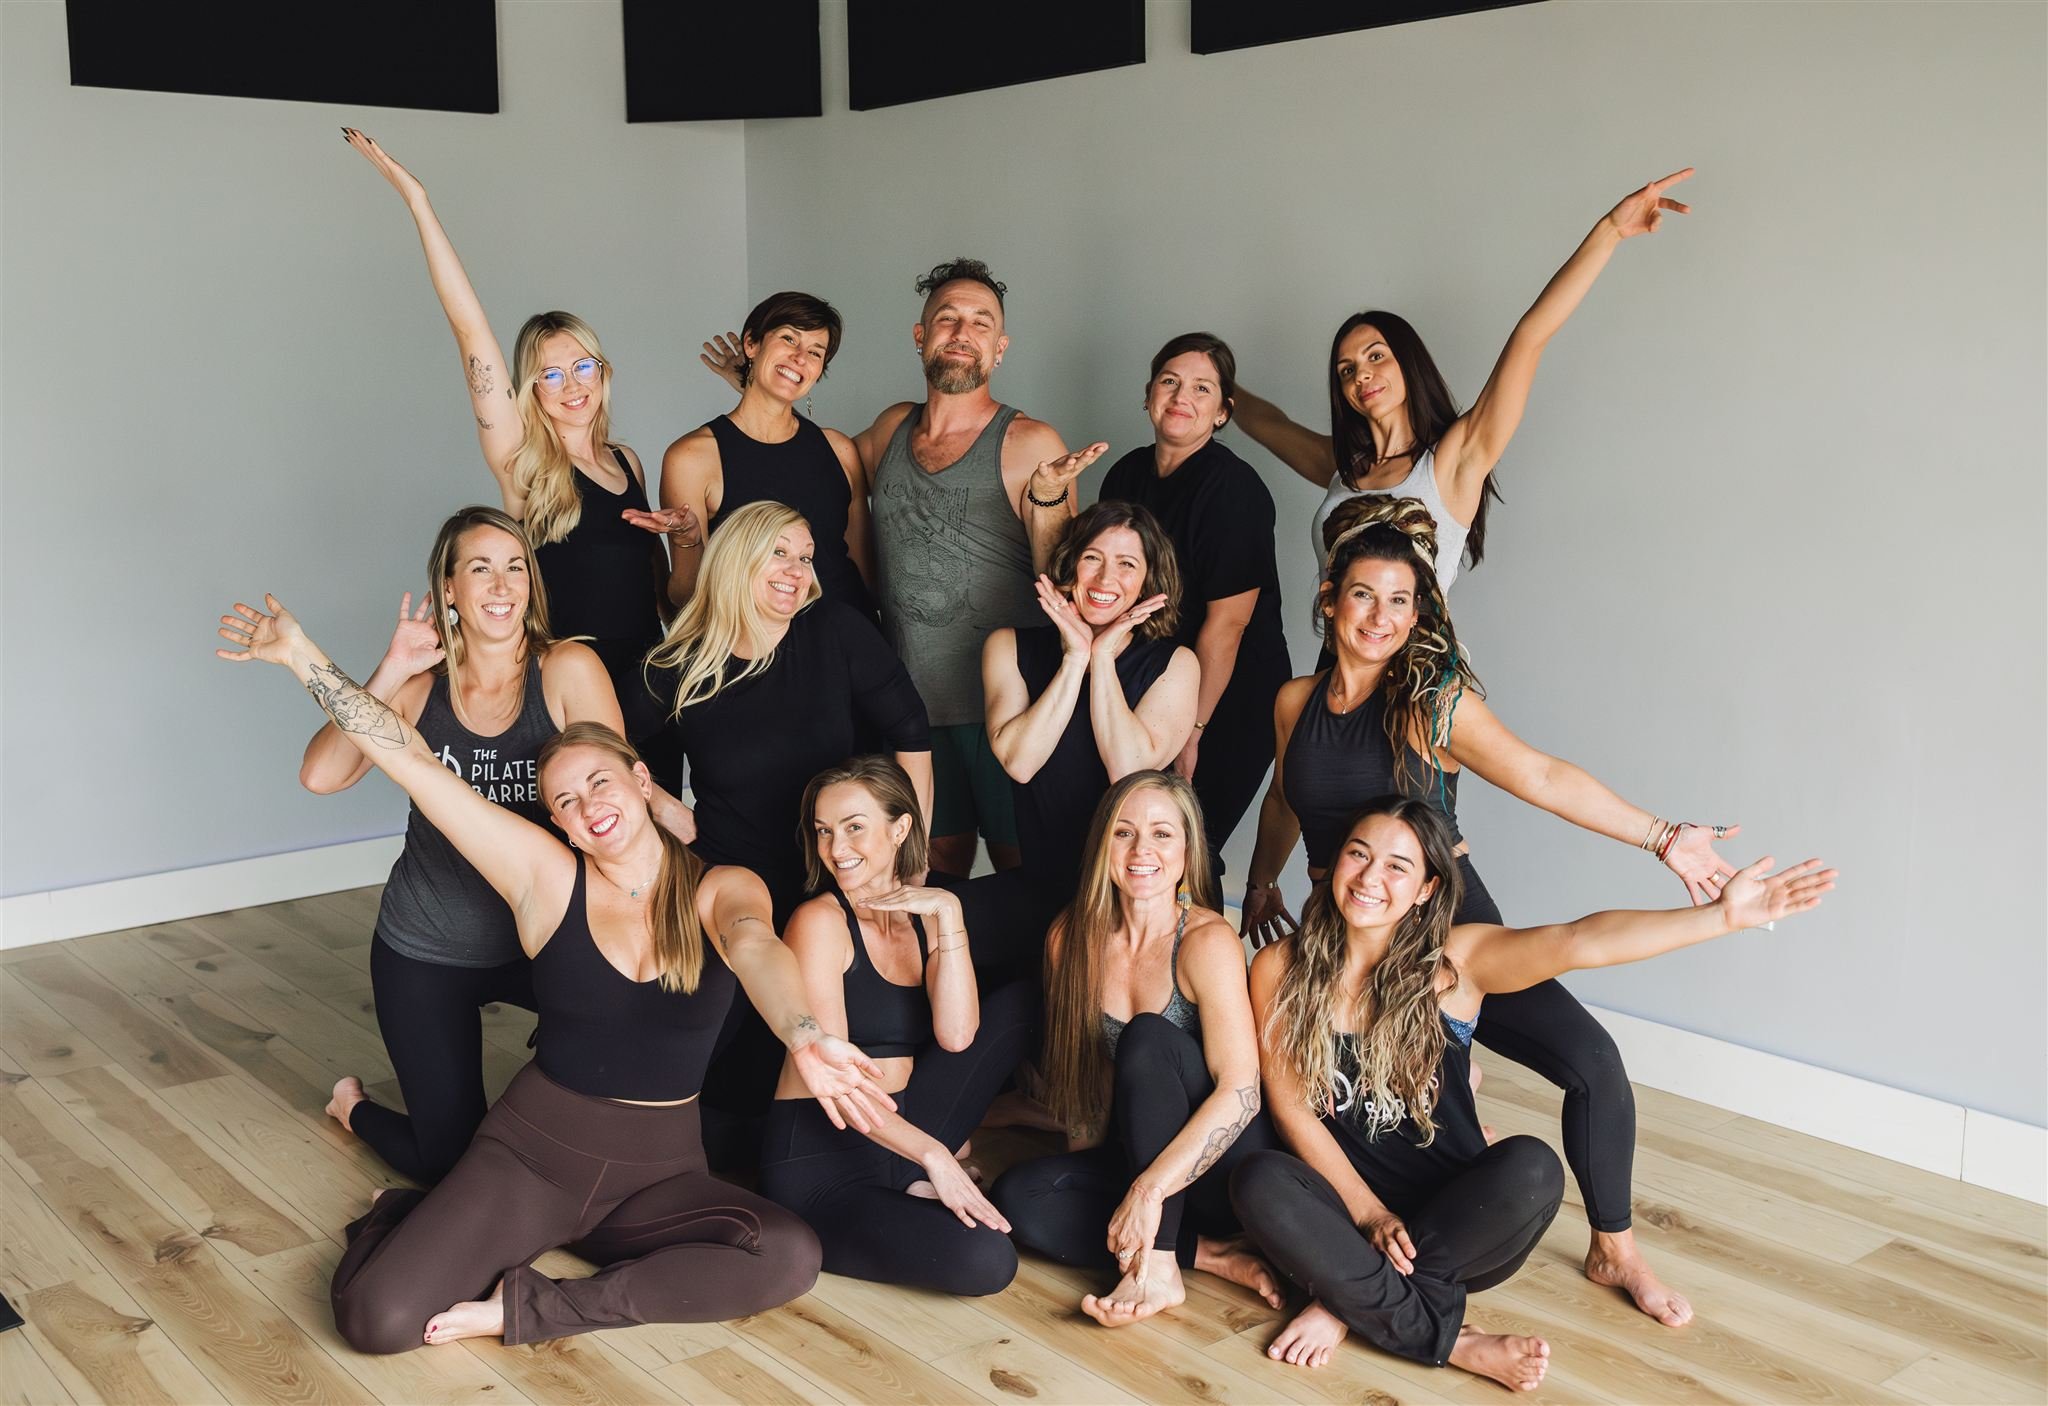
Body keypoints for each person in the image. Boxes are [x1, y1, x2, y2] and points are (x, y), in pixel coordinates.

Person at [218, 598, 898, 1352]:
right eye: (565, 802)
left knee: (790, 1253)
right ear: (560, 825)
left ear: (643, 781)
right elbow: (406, 756)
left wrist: (804, 1033)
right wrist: (301, 653)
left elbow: (754, 946)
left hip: (660, 1176)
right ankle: (408, 1215)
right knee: (377, 1322)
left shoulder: (721, 886)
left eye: (600, 783)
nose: (587, 807)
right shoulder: (546, 877)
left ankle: (527, 1307)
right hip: (532, 1159)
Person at [1244, 494, 1743, 1327]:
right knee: (1331, 1095)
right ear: (1330, 598)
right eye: (1364, 594)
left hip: (1445, 923)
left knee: (1591, 1060)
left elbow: (1542, 776)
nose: (1381, 616)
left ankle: (1615, 1247)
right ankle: (1370, 1241)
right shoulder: (1294, 702)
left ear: (1418, 613)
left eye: (1401, 600)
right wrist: (1262, 881)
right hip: (1352, 916)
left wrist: (1663, 838)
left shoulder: (1430, 701)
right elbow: (1285, 802)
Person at [1234, 796, 1833, 1386]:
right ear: (1335, 862)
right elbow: (1292, 1108)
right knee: (1259, 1180)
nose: (1370, 878)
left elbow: (1577, 941)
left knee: (1534, 1166)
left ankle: (1348, 1299)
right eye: (1357, 855)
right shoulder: (1278, 968)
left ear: (1426, 890)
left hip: (1462, 1225)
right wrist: (1369, 1215)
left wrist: (1720, 917)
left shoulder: (1455, 965)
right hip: (1347, 1209)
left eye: (1398, 866)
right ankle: (1447, 1339)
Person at [300, 506, 683, 1183]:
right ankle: (353, 1108)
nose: (502, 586)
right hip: (428, 946)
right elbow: (322, 775)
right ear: (449, 589)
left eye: (515, 569)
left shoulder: (566, 668)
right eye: (480, 569)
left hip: (550, 943)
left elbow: (615, 796)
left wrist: (673, 821)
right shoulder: (420, 691)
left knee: (602, 1110)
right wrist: (392, 669)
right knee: (452, 1165)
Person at [712, 258, 1110, 877]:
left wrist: (1051, 498)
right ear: (921, 336)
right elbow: (806, 457)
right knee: (929, 862)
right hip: (908, 706)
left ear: (999, 349)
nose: (962, 331)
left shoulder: (1030, 442)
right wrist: (759, 383)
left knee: (1022, 867)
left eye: (981, 323)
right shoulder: (890, 430)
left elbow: (1058, 582)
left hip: (1007, 707)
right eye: (946, 318)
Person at [343, 129, 670, 742]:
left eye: (582, 366)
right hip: (567, 689)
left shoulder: (627, 461)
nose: (571, 384)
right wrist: (417, 201)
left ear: (604, 373)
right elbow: (470, 330)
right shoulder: (525, 465)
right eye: (550, 373)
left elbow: (653, 584)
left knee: (656, 830)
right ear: (530, 390)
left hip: (648, 676)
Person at [1232, 169, 1696, 598]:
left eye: (1376, 356)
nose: (1362, 374)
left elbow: (1530, 337)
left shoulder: (1452, 460)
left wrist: (1610, 232)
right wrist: (1209, 378)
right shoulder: (1343, 467)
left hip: (1415, 681)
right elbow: (1269, 422)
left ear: (1408, 365)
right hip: (1335, 674)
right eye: (1347, 369)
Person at [990, 772, 1284, 1327]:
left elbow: (1242, 1092)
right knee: (1020, 1198)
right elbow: (1091, 1081)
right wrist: (1088, 1178)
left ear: (1188, 849)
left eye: (1161, 834)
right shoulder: (1068, 939)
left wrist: (1148, 1190)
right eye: (1123, 833)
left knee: (1150, 1037)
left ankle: (1161, 1266)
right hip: (1142, 1159)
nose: (1141, 850)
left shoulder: (1206, 940)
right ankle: (1211, 1256)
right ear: (1103, 845)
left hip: (1224, 1167)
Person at [758, 757, 1039, 1295]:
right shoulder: (819, 921)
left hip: (900, 1134)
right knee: (989, 1261)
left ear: (900, 827)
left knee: (1019, 1005)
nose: (836, 848)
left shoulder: (921, 915)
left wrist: (949, 916)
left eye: (854, 827)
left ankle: (915, 1179)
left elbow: (958, 1037)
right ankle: (922, 1175)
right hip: (825, 1163)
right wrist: (933, 1155)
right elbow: (839, 1087)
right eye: (824, 831)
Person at [645, 500, 931, 923]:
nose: (797, 571)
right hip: (733, 880)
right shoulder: (679, 666)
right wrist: (668, 811)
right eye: (778, 553)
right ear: (736, 558)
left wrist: (911, 855)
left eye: (805, 557)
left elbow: (912, 732)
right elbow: (599, 746)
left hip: (841, 874)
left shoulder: (836, 630)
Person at [1098, 333, 1290, 863]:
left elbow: (1227, 628)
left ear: (1223, 412)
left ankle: (1198, 944)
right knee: (1127, 844)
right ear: (1148, 395)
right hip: (1153, 680)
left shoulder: (1234, 492)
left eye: (1202, 388)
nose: (1182, 397)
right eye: (1170, 382)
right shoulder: (1125, 474)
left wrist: (1191, 730)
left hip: (1227, 700)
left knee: (1185, 853)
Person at [983, 502, 1198, 936]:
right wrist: (1075, 657)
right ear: (1070, 565)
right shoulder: (1008, 646)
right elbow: (1020, 763)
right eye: (1092, 559)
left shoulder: (1176, 664)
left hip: (1130, 904)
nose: (1104, 579)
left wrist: (1101, 660)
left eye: (1126, 564)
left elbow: (1129, 772)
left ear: (1148, 581)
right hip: (1040, 888)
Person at [640, 292, 873, 613]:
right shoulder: (692, 457)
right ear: (751, 343)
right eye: (789, 339)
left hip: (851, 642)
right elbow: (687, 597)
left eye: (815, 352)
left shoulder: (840, 449)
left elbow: (865, 573)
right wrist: (685, 541)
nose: (800, 357)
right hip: (757, 653)